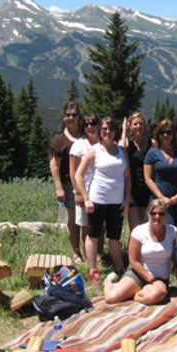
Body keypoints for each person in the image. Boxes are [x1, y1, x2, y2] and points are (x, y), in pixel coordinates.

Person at [74, 116, 130, 283]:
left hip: (117, 201)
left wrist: (127, 200)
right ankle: (93, 270)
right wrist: (86, 198)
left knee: (114, 237)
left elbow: (127, 176)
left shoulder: (121, 150)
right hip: (98, 200)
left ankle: (121, 269)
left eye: (111, 129)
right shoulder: (94, 150)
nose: (108, 132)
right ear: (100, 131)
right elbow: (79, 175)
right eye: (105, 129)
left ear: (116, 132)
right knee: (93, 235)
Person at [103, 199, 177, 305]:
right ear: (148, 214)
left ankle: (135, 295)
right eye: (153, 213)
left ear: (166, 215)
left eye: (161, 214)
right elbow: (133, 261)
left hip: (160, 278)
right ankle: (108, 282)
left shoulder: (173, 231)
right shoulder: (139, 231)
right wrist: (150, 279)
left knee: (155, 296)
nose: (157, 217)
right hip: (138, 274)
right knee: (111, 298)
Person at [49, 102, 82, 262]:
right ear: (64, 117)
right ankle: (76, 251)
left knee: (88, 219)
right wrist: (59, 188)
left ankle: (91, 250)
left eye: (74, 115)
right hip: (69, 184)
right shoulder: (59, 140)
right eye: (68, 115)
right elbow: (54, 164)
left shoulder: (86, 135)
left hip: (88, 184)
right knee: (73, 218)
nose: (71, 118)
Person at [68, 112, 100, 264]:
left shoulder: (103, 143)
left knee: (100, 226)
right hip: (84, 190)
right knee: (85, 227)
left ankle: (98, 254)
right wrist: (78, 193)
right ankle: (88, 258)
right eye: (86, 124)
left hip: (101, 191)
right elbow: (73, 171)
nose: (90, 127)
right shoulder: (79, 145)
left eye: (93, 123)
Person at [144, 119, 177, 225]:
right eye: (162, 132)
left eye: (169, 132)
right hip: (158, 201)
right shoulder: (152, 153)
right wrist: (161, 197)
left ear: (173, 134)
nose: (165, 135)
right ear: (158, 134)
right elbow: (148, 178)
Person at [120, 112, 153, 231]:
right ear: (130, 126)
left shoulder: (152, 143)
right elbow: (120, 147)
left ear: (144, 126)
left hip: (148, 190)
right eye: (135, 124)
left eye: (140, 123)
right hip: (132, 190)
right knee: (136, 230)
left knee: (148, 227)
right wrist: (124, 131)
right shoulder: (128, 144)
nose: (138, 126)